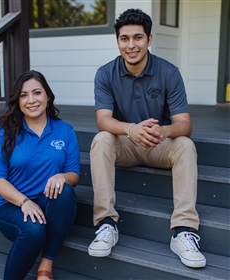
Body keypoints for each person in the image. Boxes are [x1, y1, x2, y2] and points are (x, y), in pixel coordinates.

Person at [87, 8, 206, 268]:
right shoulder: (105, 73)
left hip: (157, 143)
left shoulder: (169, 72)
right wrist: (131, 130)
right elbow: (103, 120)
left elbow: (185, 125)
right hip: (126, 144)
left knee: (185, 145)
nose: (131, 45)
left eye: (138, 38)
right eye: (124, 38)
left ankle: (184, 230)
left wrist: (162, 131)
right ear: (117, 41)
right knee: (101, 140)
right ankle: (107, 224)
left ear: (149, 39)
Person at [0, 70, 80, 280]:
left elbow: (74, 175)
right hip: (11, 205)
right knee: (34, 230)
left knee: (65, 192)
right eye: (23, 95)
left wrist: (62, 177)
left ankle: (45, 267)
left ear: (47, 95)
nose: (31, 100)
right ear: (17, 101)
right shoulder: (3, 132)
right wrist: (24, 202)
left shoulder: (65, 131)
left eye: (37, 92)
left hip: (49, 203)